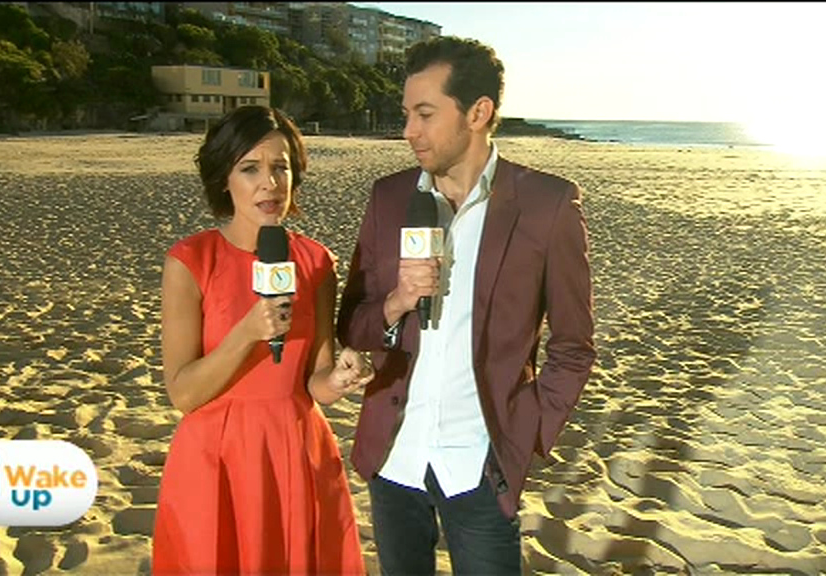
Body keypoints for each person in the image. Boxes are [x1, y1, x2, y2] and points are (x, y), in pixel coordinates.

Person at [336, 36, 596, 574]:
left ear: (478, 113)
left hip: (480, 468)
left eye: (425, 114)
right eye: (407, 114)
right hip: (393, 459)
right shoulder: (388, 197)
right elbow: (352, 325)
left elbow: (573, 345)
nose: (409, 131)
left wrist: (527, 429)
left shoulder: (547, 205)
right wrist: (396, 304)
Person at [153, 105, 372, 575]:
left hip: (297, 447)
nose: (269, 183)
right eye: (250, 168)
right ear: (224, 179)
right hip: (217, 456)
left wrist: (340, 378)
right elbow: (183, 393)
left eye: (281, 168)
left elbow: (315, 382)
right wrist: (247, 334)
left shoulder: (316, 262)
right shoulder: (191, 261)